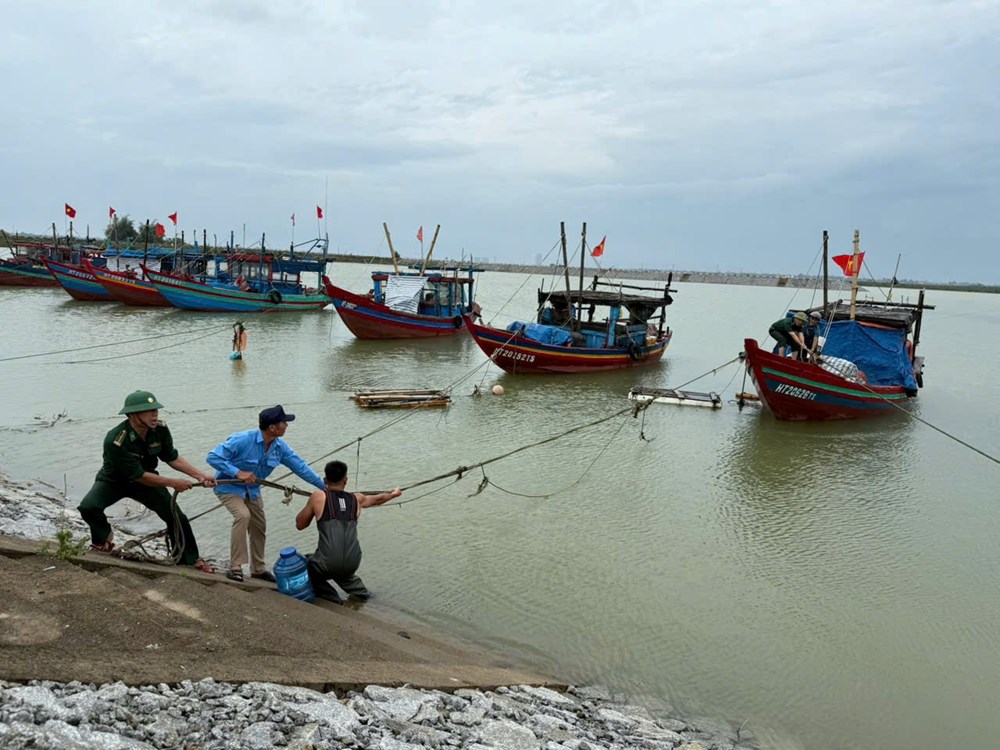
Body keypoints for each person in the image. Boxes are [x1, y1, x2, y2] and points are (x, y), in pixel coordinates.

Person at [77, 391, 217, 571]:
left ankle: (189, 559)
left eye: (155, 410)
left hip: (147, 482)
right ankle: (103, 539)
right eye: (148, 410)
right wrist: (174, 483)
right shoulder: (116, 439)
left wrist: (200, 475)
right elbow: (138, 475)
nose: (155, 414)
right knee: (88, 507)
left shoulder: (160, 430)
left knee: (176, 517)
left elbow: (171, 457)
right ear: (133, 414)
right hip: (114, 481)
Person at [207, 405, 325, 583]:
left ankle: (258, 569)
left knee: (259, 526)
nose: (286, 425)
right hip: (229, 487)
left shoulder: (279, 447)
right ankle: (236, 567)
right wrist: (238, 472)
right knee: (242, 516)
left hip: (252, 491)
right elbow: (213, 457)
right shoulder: (242, 440)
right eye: (284, 423)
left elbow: (300, 466)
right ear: (272, 428)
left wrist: (325, 487)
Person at [295, 460, 402, 604]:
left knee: (301, 565)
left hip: (328, 562)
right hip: (353, 561)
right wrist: (394, 494)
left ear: (325, 480)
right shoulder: (356, 498)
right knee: (342, 572)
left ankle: (332, 598)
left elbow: (300, 524)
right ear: (345, 481)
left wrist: (311, 504)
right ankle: (367, 598)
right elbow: (378, 499)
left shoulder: (318, 497)